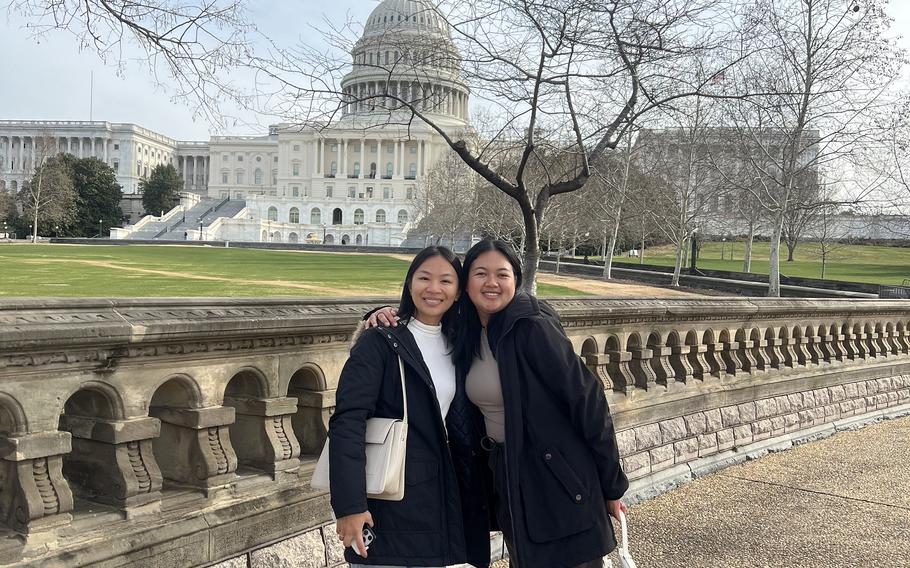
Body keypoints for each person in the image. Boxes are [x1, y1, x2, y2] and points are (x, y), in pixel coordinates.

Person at [366, 239, 629, 568]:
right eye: (480, 273)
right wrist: (380, 315)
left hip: (556, 481)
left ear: (515, 280)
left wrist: (613, 485)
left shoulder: (531, 326)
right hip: (508, 476)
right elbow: (425, 318)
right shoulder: (468, 329)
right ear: (466, 284)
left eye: (501, 274)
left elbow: (588, 402)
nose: (491, 283)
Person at [328, 246, 489, 568]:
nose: (433, 288)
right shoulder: (380, 340)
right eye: (424, 278)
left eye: (446, 281)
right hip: (392, 502)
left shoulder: (459, 342)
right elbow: (348, 422)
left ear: (458, 293)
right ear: (409, 283)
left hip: (441, 500)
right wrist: (349, 506)